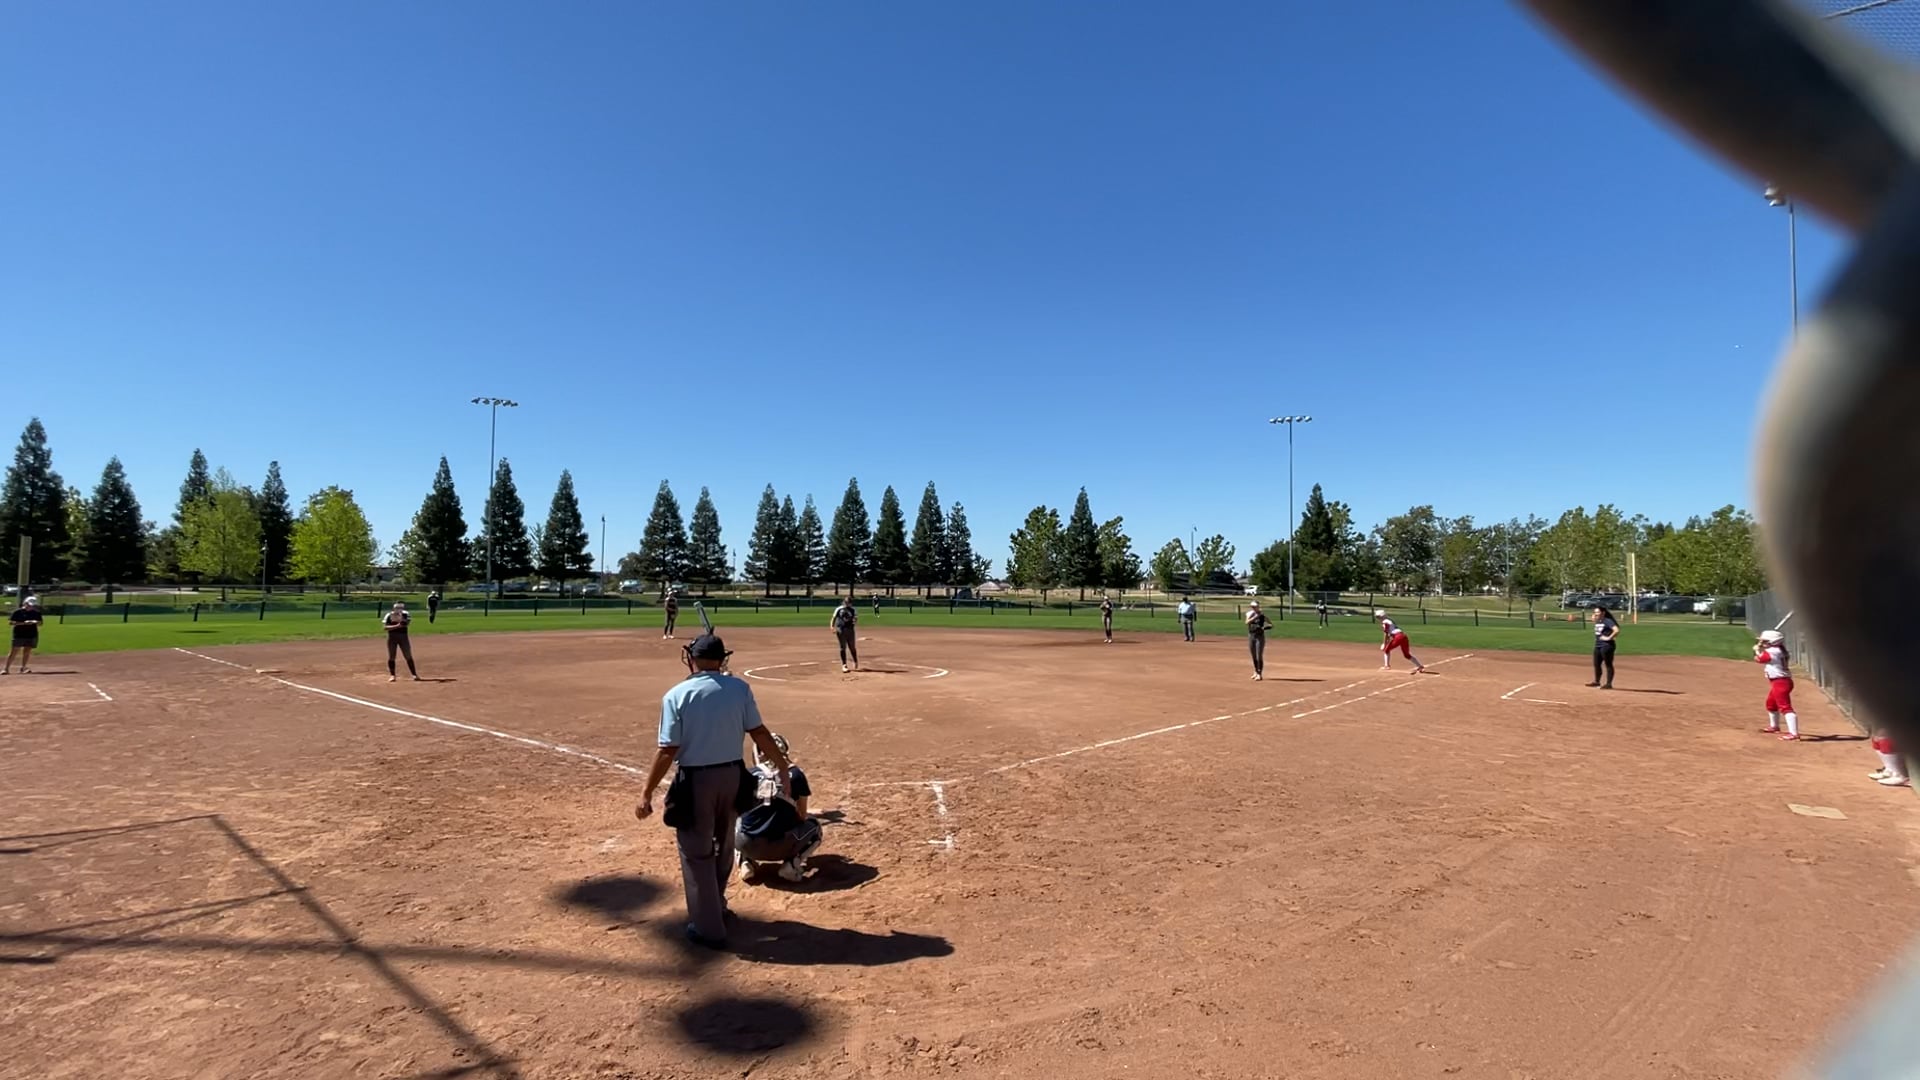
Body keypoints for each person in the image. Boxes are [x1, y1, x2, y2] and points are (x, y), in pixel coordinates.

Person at [636, 634, 791, 949]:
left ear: (691, 658)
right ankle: (717, 906)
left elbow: (668, 749)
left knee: (696, 852)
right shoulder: (739, 689)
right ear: (722, 659)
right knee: (724, 846)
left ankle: (709, 929)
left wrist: (646, 792)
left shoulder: (677, 694)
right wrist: (783, 768)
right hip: (733, 777)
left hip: (696, 781)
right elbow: (759, 733)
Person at [736, 732, 823, 884]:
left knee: (734, 821)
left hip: (747, 844)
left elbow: (736, 810)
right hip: (783, 846)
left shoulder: (748, 774)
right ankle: (791, 865)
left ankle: (745, 862)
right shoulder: (796, 774)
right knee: (815, 827)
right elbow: (802, 816)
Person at [1753, 628, 1799, 740]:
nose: (1762, 643)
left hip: (1781, 683)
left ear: (1773, 642)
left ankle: (1794, 733)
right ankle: (1774, 726)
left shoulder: (1773, 651)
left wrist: (1757, 650)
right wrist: (1761, 648)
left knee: (1785, 707)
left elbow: (1759, 659)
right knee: (1771, 704)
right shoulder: (1779, 649)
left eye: (1765, 641)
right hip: (1780, 682)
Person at [382, 602, 420, 682]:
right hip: (392, 637)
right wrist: (397, 626)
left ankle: (414, 674)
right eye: (397, 608)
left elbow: (406, 623)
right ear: (393, 608)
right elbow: (385, 627)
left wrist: (401, 621)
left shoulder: (405, 614)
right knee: (392, 656)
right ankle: (392, 675)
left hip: (403, 637)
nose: (399, 609)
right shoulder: (388, 615)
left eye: (400, 608)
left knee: (408, 655)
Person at [5, 595, 43, 675]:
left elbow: (40, 623)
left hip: (31, 634)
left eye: (32, 605)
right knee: (14, 651)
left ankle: (23, 667)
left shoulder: (36, 613)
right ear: (25, 603)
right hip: (19, 634)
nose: (30, 607)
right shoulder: (17, 612)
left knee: (27, 651)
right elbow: (11, 622)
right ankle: (6, 669)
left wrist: (35, 622)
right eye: (29, 604)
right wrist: (24, 623)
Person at [1588, 606, 1620, 690]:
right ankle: (1597, 681)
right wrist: (1594, 617)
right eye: (1595, 612)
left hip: (1607, 645)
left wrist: (1609, 638)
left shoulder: (1607, 621)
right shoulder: (1598, 621)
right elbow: (1593, 619)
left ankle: (1609, 684)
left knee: (1608, 664)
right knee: (1596, 664)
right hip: (1598, 645)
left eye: (1598, 612)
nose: (1596, 614)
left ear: (1603, 613)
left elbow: (1616, 630)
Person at [1245, 600, 1272, 681]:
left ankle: (1259, 674)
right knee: (1253, 655)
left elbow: (1270, 624)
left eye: (1255, 606)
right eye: (1252, 606)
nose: (1253, 608)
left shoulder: (1262, 615)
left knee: (1259, 655)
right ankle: (1255, 671)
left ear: (1258, 607)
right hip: (1251, 635)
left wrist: (1264, 628)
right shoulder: (1249, 614)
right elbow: (1247, 622)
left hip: (1259, 637)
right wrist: (1255, 617)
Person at [832, 596, 859, 673]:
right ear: (843, 602)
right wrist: (832, 626)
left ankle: (855, 660)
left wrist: (854, 621)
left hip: (850, 630)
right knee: (842, 647)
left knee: (852, 647)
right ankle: (844, 665)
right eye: (846, 602)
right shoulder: (839, 609)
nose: (847, 604)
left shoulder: (853, 610)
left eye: (848, 602)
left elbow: (855, 619)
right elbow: (833, 618)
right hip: (840, 630)